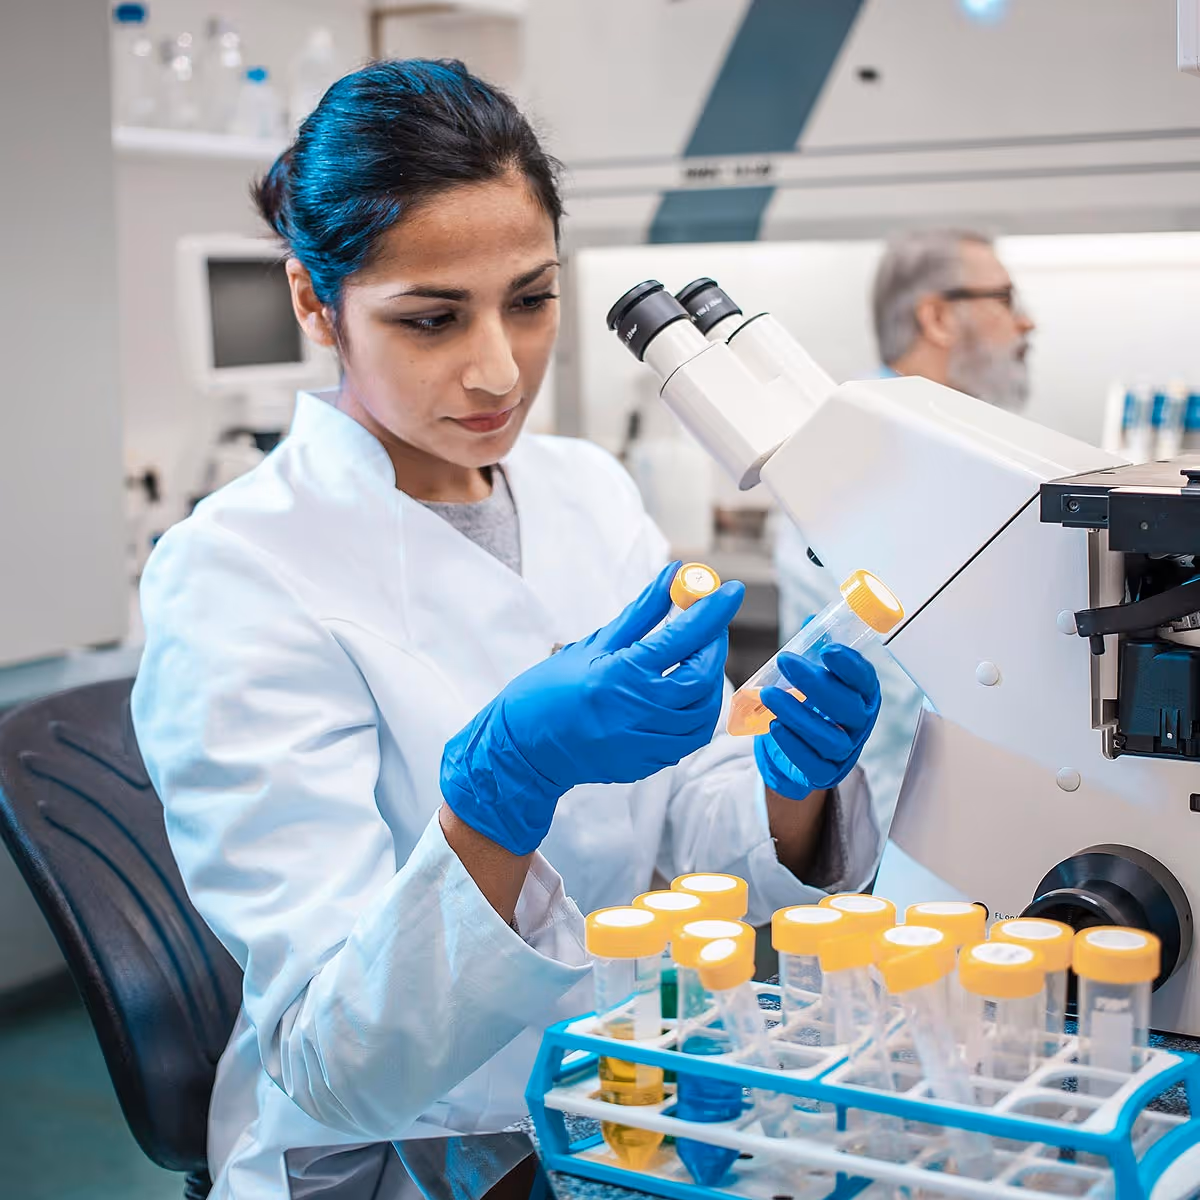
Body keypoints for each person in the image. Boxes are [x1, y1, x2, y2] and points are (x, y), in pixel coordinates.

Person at [132, 60, 886, 1200]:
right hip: (403, 1155)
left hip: (629, 1093)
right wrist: (496, 796)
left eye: (530, 300)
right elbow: (336, 1062)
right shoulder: (235, 572)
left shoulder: (586, 490)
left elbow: (680, 831)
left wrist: (790, 789)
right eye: (432, 318)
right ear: (311, 301)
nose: (499, 369)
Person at [775, 228, 1036, 834]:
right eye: (1005, 298)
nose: (1026, 324)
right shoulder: (861, 449)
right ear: (938, 317)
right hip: (892, 821)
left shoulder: (961, 441)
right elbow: (894, 682)